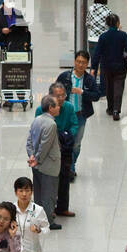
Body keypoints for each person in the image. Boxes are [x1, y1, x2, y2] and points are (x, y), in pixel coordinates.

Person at [55, 50, 101, 178]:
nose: (80, 65)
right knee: (61, 141)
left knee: (76, 143)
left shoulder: (89, 80)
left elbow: (97, 95)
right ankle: (67, 168)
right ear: (74, 62)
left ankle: (71, 164)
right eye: (78, 62)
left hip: (80, 115)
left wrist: (82, 92)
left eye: (83, 63)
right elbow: (54, 91)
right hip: (64, 114)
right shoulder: (64, 77)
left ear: (87, 64)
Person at [91, 13, 127, 121]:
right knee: (118, 88)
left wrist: (93, 68)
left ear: (106, 24)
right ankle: (116, 110)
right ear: (117, 23)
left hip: (106, 67)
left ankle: (110, 108)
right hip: (120, 66)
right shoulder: (123, 35)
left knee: (109, 87)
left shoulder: (103, 37)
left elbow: (97, 53)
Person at [26, 95, 62, 223]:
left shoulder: (37, 120)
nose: (59, 107)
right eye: (57, 105)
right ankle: (48, 222)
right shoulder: (51, 124)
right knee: (49, 194)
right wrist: (38, 159)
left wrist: (31, 155)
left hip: (36, 165)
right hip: (48, 165)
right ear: (51, 108)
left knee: (39, 194)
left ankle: (38, 218)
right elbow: (45, 145)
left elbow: (29, 140)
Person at [47, 82, 77, 218]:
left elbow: (74, 124)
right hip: (49, 151)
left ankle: (62, 207)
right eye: (57, 96)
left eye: (62, 95)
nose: (60, 99)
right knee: (50, 180)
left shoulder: (69, 108)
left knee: (64, 178)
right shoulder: (42, 108)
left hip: (65, 149)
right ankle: (48, 208)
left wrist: (67, 135)